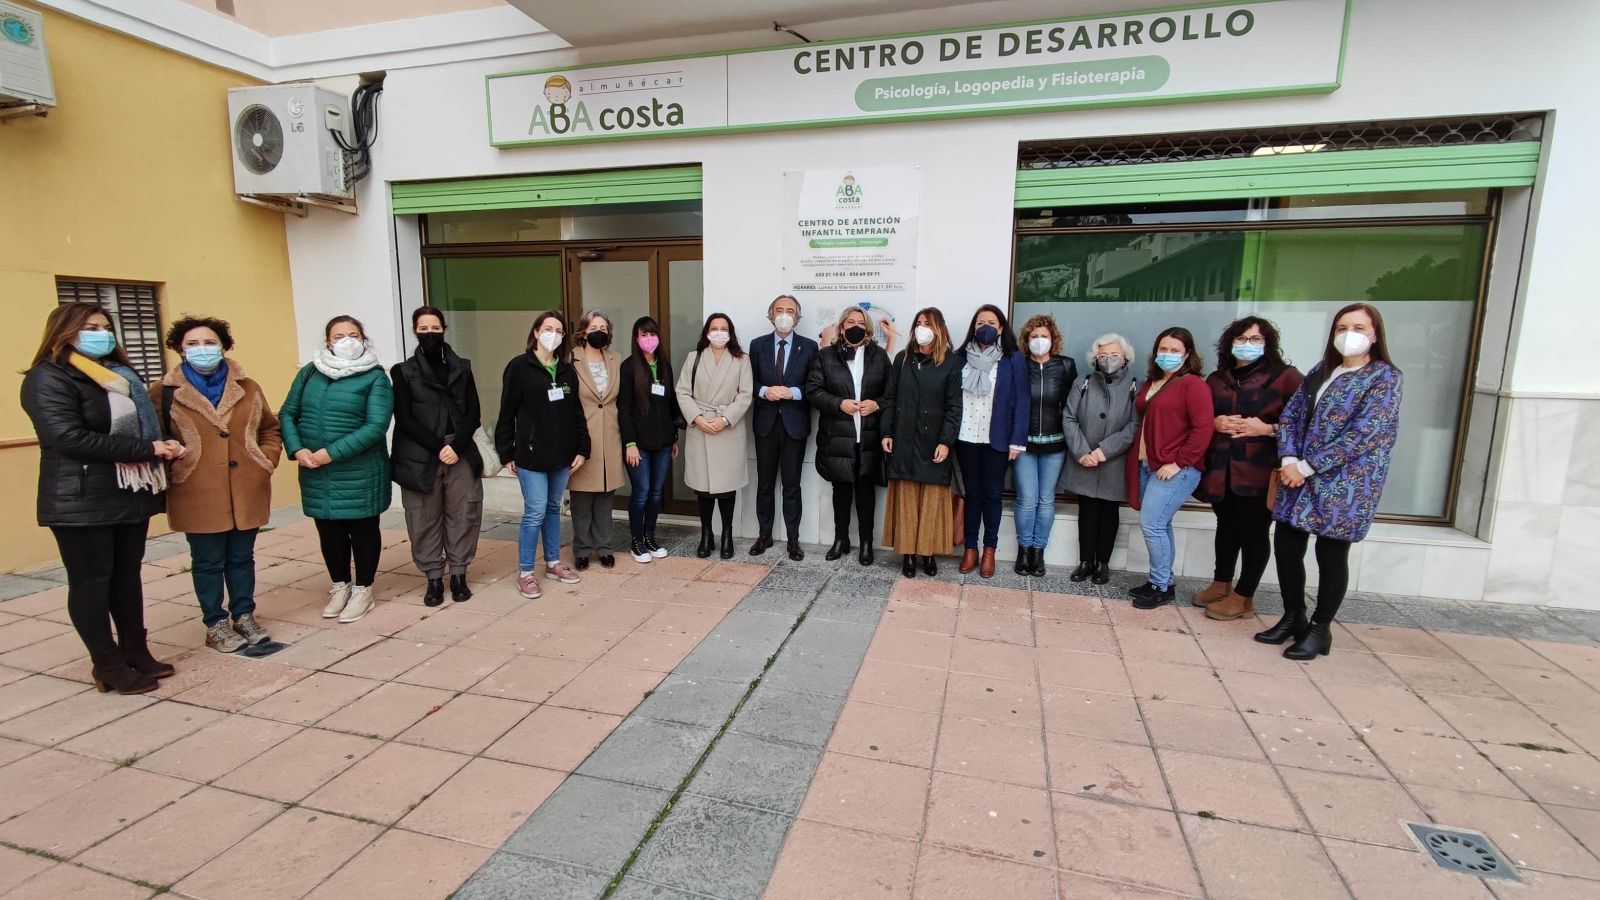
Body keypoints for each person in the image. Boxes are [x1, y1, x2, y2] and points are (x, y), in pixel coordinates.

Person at [21, 302, 181, 694]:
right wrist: (147, 450)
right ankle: (107, 664)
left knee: (127, 577)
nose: (100, 333)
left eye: (105, 326)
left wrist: (160, 445)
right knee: (92, 582)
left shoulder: (118, 375)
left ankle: (136, 650)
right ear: (64, 332)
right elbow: (66, 437)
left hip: (128, 491)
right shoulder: (48, 378)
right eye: (89, 327)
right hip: (81, 498)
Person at [1259, 303, 1402, 660]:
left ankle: (1321, 630)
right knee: (1288, 545)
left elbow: (1364, 433)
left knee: (1331, 552)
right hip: (1298, 476)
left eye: (1357, 327)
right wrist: (1290, 459)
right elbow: (1290, 417)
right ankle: (1294, 616)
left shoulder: (1384, 378)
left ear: (1375, 335)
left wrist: (1307, 466)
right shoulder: (1322, 371)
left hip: (1346, 483)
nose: (1348, 334)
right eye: (1341, 327)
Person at [156, 315, 283, 652]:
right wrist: (172, 457)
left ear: (223, 346)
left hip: (246, 486)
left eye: (209, 342)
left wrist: (265, 459)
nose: (202, 349)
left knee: (242, 557)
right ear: (180, 350)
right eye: (193, 344)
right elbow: (153, 436)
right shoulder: (164, 392)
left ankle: (244, 614)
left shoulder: (248, 387)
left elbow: (270, 428)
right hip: (196, 488)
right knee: (208, 561)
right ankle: (215, 623)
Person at [281, 315, 394, 625]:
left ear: (363, 339)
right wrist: (298, 449)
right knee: (329, 532)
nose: (347, 341)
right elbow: (288, 413)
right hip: (315, 468)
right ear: (328, 341)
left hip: (360, 471)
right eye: (339, 335)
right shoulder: (309, 373)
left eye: (353, 334)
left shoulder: (375, 377)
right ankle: (340, 586)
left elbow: (376, 426)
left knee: (362, 531)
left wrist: (330, 453)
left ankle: (363, 590)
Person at [1195, 317, 1303, 621]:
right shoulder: (1218, 378)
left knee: (1254, 533)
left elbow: (1308, 425)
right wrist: (1215, 422)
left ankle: (1244, 596)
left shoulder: (1286, 378)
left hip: (1258, 472)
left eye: (1255, 339)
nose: (1247, 345)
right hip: (1221, 471)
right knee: (1226, 527)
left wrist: (1268, 429)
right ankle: (1221, 583)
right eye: (1241, 339)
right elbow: (1201, 417)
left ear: (1267, 343)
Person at [390, 306, 483, 607]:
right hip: (421, 454)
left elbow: (473, 412)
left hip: (460, 451)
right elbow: (404, 417)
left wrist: (456, 446)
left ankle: (458, 574)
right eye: (423, 328)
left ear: (444, 328)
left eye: (435, 328)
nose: (430, 333)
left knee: (463, 513)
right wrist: (437, 447)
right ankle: (432, 577)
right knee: (423, 518)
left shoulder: (462, 367)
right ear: (415, 331)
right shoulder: (402, 371)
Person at [496, 312, 590, 600]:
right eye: (548, 328)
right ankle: (526, 572)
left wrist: (582, 448)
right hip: (531, 456)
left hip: (561, 455)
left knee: (552, 509)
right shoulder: (519, 367)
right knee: (535, 511)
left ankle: (552, 563)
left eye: (559, 330)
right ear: (536, 332)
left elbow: (577, 413)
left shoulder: (565, 371)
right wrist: (506, 452)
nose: (554, 334)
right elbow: (507, 412)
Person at [1126, 327, 1213, 610]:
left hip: (1175, 468)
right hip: (1148, 463)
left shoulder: (1192, 384)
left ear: (1187, 354)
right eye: (1163, 349)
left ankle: (1161, 586)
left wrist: (1179, 462)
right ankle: (1161, 580)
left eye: (1175, 350)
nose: (1168, 354)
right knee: (1161, 525)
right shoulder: (1155, 381)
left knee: (1151, 524)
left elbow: (1203, 428)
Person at [881, 308, 963, 578]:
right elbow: (890, 398)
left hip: (932, 441)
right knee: (906, 497)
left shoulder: (950, 363)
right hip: (903, 438)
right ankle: (907, 554)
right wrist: (887, 432)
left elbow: (954, 407)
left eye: (927, 324)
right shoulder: (902, 360)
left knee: (931, 499)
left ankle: (927, 553)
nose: (922, 328)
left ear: (939, 328)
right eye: (918, 323)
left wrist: (945, 441)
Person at [807, 306, 890, 565]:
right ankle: (840, 539)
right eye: (850, 321)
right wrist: (838, 403)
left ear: (867, 328)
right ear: (842, 327)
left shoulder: (879, 357)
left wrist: (876, 404)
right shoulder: (826, 356)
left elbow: (892, 393)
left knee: (866, 492)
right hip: (837, 435)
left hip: (868, 436)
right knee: (841, 490)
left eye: (860, 322)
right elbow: (812, 390)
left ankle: (866, 543)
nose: (855, 326)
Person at [954, 305, 1029, 579]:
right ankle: (970, 549)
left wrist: (1017, 441)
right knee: (972, 494)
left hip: (997, 439)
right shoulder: (960, 357)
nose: (985, 325)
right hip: (966, 437)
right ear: (974, 326)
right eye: (980, 321)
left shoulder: (1013, 359)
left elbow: (1022, 401)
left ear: (1000, 328)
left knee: (993, 496)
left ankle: (989, 551)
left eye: (991, 321)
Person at [1061, 335, 1141, 585]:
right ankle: (1085, 562)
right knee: (1087, 510)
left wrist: (1104, 451)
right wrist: (1082, 452)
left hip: (1114, 463)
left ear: (1125, 358)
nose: (1109, 361)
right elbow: (1069, 417)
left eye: (1114, 355)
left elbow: (1135, 425)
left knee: (1109, 512)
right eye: (1103, 356)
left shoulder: (1136, 386)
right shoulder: (1082, 382)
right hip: (1083, 460)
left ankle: (1103, 563)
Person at [676, 313, 753, 560]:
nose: (719, 332)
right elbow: (682, 392)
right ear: (706, 332)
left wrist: (724, 419)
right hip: (700, 427)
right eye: (714, 328)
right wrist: (698, 418)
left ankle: (727, 534)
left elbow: (745, 395)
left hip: (728, 428)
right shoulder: (694, 357)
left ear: (730, 332)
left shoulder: (741, 360)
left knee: (726, 488)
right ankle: (706, 534)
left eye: (723, 328)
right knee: (704, 488)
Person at [748, 295, 817, 561]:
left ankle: (793, 539)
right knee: (764, 484)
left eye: (790, 311)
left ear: (797, 317)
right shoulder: (758, 346)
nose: (784, 315)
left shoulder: (809, 347)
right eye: (779, 310)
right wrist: (765, 391)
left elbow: (814, 385)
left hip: (794, 426)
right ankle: (764, 535)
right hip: (765, 424)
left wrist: (794, 393)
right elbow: (748, 383)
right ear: (771, 315)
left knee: (792, 485)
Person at [1013, 315, 1078, 576]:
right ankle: (1023, 550)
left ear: (1053, 339)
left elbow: (1073, 405)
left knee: (1046, 499)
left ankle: (1039, 552)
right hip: (1024, 444)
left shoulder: (1065, 366)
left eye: (1044, 336)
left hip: (1055, 443)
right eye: (1034, 337)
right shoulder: (1018, 364)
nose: (1040, 341)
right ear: (1026, 341)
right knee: (1027, 499)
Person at [617, 316, 683, 563]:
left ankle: (650, 536)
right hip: (639, 445)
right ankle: (636, 541)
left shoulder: (664, 365)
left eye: (652, 334)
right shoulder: (628, 368)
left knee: (656, 493)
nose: (648, 339)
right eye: (643, 335)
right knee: (641, 492)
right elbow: (623, 409)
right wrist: (630, 444)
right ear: (636, 339)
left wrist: (674, 436)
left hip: (663, 442)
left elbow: (669, 404)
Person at [569, 311, 625, 571]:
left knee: (605, 496)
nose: (599, 331)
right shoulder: (570, 358)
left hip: (610, 435)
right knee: (581, 499)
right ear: (583, 331)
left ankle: (604, 547)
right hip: (582, 435)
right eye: (594, 326)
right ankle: (581, 549)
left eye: (603, 326)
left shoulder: (615, 359)